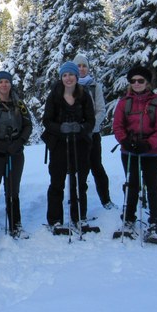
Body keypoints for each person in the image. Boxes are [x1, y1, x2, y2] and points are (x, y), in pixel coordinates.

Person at [112, 66, 157, 242]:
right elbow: (118, 126)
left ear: (147, 82)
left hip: (153, 152)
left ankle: (156, 222)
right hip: (129, 150)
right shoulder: (124, 103)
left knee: (152, 185)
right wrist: (125, 141)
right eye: (133, 81)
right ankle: (128, 218)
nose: (136, 84)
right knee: (132, 184)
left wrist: (148, 144)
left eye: (140, 80)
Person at [42, 61, 95, 230]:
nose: (68, 78)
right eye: (64, 75)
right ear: (61, 77)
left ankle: (79, 216)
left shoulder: (84, 95)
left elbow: (91, 120)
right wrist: (60, 128)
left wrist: (81, 127)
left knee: (79, 182)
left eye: (71, 74)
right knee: (57, 182)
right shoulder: (54, 95)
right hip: (59, 144)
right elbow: (46, 120)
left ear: (77, 76)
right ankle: (55, 219)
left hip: (79, 143)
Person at [0, 71, 33, 239]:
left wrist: (19, 141)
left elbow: (28, 125)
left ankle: (15, 225)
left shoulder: (18, 103)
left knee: (13, 189)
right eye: (1, 82)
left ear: (11, 84)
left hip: (15, 152)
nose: (4, 85)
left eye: (7, 82)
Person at [73, 53, 115, 209]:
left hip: (93, 135)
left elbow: (101, 110)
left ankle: (106, 200)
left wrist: (90, 127)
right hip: (76, 136)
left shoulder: (95, 86)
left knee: (97, 167)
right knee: (79, 171)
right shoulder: (69, 87)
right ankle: (78, 203)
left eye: (84, 66)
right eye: (78, 66)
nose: (82, 69)